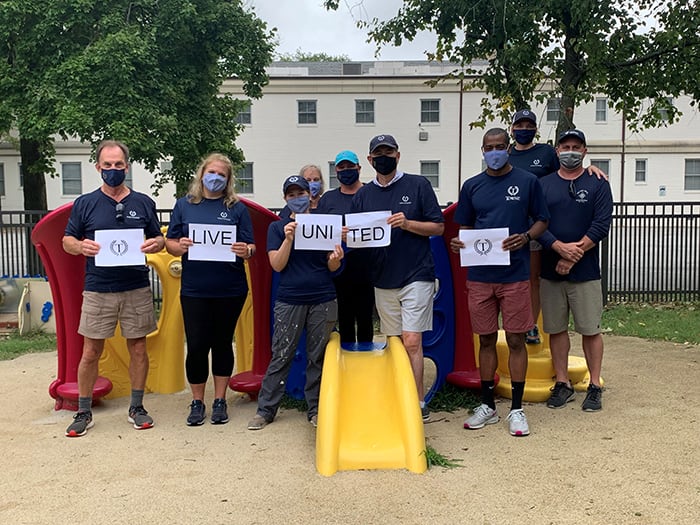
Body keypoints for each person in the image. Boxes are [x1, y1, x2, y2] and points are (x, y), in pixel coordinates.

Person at [451, 128, 549, 437]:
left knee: (518, 340)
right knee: (486, 340)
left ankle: (517, 409)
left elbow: (542, 219)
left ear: (508, 148)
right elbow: (465, 227)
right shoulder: (473, 186)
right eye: (488, 147)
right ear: (482, 151)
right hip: (480, 277)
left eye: (499, 146)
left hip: (515, 275)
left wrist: (526, 237)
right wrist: (459, 243)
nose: (494, 152)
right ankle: (487, 406)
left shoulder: (527, 182)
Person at [62, 140, 164, 437]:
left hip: (136, 287)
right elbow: (67, 241)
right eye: (107, 165)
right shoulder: (85, 203)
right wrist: (81, 245)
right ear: (98, 167)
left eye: (118, 165)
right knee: (91, 351)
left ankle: (137, 406)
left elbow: (157, 238)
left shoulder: (143, 202)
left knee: (139, 349)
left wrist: (155, 244)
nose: (113, 170)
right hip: (98, 288)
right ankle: (83, 410)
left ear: (127, 166)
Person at [351, 134, 445, 422]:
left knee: (412, 340)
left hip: (417, 274)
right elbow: (357, 238)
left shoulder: (418, 185)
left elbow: (438, 227)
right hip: (382, 279)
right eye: (378, 153)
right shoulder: (363, 195)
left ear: (398, 155)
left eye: (389, 151)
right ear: (369, 160)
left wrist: (407, 223)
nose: (384, 156)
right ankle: (397, 393)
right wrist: (346, 236)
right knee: (395, 342)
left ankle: (417, 401)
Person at [165, 153, 256, 426]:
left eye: (222, 174)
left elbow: (251, 247)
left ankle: (219, 400)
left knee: (222, 343)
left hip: (230, 288)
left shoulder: (237, 208)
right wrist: (178, 246)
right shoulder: (184, 205)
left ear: (228, 180)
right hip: (195, 289)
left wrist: (246, 250)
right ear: (202, 173)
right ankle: (197, 401)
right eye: (211, 172)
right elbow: (170, 242)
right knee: (196, 346)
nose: (215, 177)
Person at [247, 175, 343, 430]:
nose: (297, 198)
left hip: (323, 297)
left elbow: (332, 266)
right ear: (285, 199)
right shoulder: (277, 228)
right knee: (281, 354)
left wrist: (336, 257)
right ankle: (266, 410)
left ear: (310, 195)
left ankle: (317, 409)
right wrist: (289, 239)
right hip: (290, 299)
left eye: (301, 193)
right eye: (291, 195)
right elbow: (276, 264)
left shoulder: (323, 224)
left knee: (318, 357)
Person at [509, 109, 606, 345]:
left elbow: (566, 174)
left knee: (534, 276)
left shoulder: (544, 152)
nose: (524, 129)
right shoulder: (504, 153)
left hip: (537, 226)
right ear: (511, 129)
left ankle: (531, 325)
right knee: (513, 279)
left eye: (528, 125)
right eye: (519, 125)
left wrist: (590, 169)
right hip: (512, 223)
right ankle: (516, 323)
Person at [539, 129, 613, 412]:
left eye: (576, 146)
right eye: (565, 146)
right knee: (556, 330)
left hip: (585, 272)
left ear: (585, 151)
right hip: (550, 270)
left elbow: (601, 224)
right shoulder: (544, 185)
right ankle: (562, 383)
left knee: (590, 330)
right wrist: (558, 248)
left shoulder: (598, 183)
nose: (570, 150)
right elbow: (538, 222)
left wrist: (573, 255)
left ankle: (594, 385)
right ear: (557, 151)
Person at [316, 150, 375, 344]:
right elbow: (321, 232)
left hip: (368, 266)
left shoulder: (371, 193)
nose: (346, 170)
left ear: (359, 168)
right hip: (338, 268)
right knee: (345, 319)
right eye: (342, 167)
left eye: (351, 166)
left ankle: (368, 361)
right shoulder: (328, 199)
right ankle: (347, 364)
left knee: (366, 319)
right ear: (336, 170)